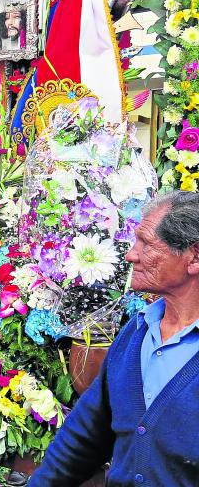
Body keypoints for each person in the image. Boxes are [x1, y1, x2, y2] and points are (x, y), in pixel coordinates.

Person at [28, 192, 199, 486]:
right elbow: (83, 438)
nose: (131, 254)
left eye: (146, 244)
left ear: (194, 257)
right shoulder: (137, 332)